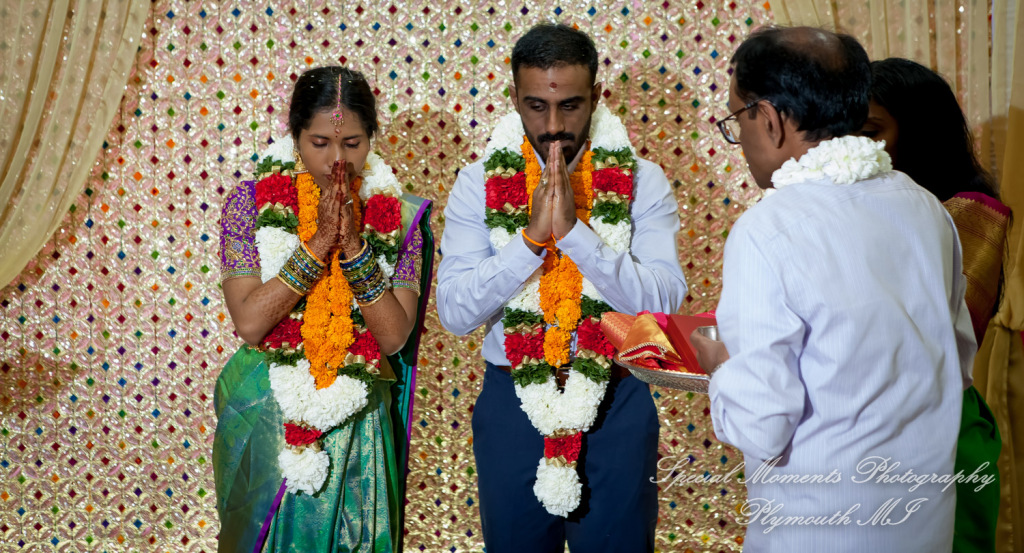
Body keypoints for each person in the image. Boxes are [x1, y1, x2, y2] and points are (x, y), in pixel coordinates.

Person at [690, 27, 978, 552]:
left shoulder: (767, 229)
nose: (741, 140)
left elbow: (761, 427)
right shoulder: (926, 208)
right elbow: (957, 366)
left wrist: (720, 367)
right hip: (922, 524)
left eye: (737, 120)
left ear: (770, 118)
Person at [435, 23, 688, 553]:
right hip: (512, 404)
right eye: (537, 106)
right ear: (514, 99)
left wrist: (576, 236)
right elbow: (455, 313)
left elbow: (663, 306)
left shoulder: (642, 182)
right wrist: (529, 241)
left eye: (570, 106)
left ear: (596, 95)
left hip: (617, 400)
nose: (553, 126)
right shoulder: (478, 184)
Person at [214, 66, 433, 553]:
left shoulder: (398, 217)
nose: (338, 160)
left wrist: (353, 246)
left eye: (353, 143)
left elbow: (393, 337)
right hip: (268, 412)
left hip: (357, 424)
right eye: (319, 143)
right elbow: (250, 322)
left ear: (371, 138)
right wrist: (317, 245)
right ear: (294, 137)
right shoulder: (249, 204)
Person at [863, 57, 1007, 553]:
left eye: (872, 131)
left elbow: (933, 332)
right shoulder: (856, 208)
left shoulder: (972, 213)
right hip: (867, 429)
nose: (856, 147)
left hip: (940, 429)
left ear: (920, 131)